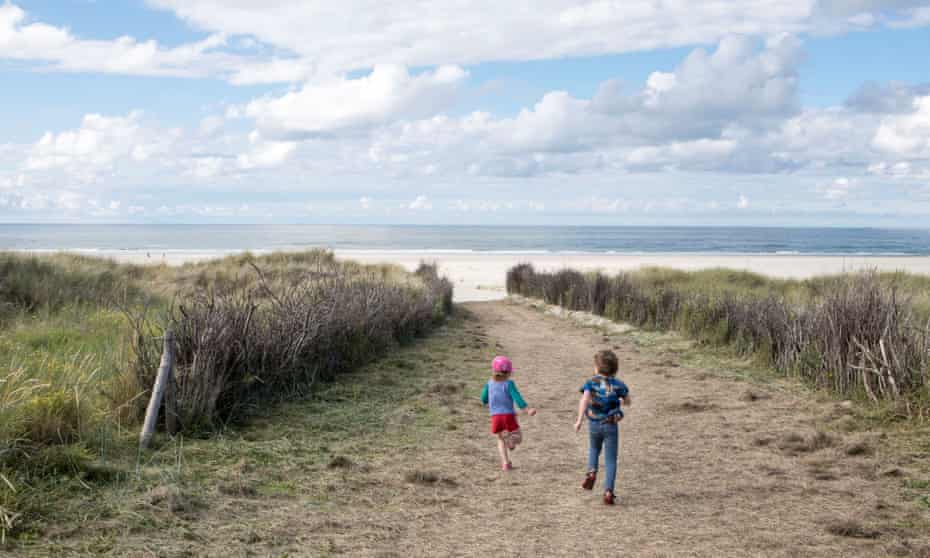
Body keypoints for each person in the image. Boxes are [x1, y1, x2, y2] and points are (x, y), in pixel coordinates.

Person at [574, 349, 631, 505]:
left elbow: (584, 401)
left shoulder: (591, 383)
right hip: (611, 425)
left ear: (596, 368)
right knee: (611, 459)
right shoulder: (619, 385)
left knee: (593, 449)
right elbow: (628, 401)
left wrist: (579, 420)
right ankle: (608, 491)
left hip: (593, 424)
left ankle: (592, 472)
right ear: (615, 369)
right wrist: (620, 401)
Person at [481, 355, 536, 471]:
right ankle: (511, 441)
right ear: (508, 372)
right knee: (518, 438)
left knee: (500, 439)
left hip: (495, 417)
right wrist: (527, 410)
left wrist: (489, 400)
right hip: (508, 416)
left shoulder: (489, 383)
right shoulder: (509, 384)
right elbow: (517, 398)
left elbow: (483, 399)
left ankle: (505, 463)